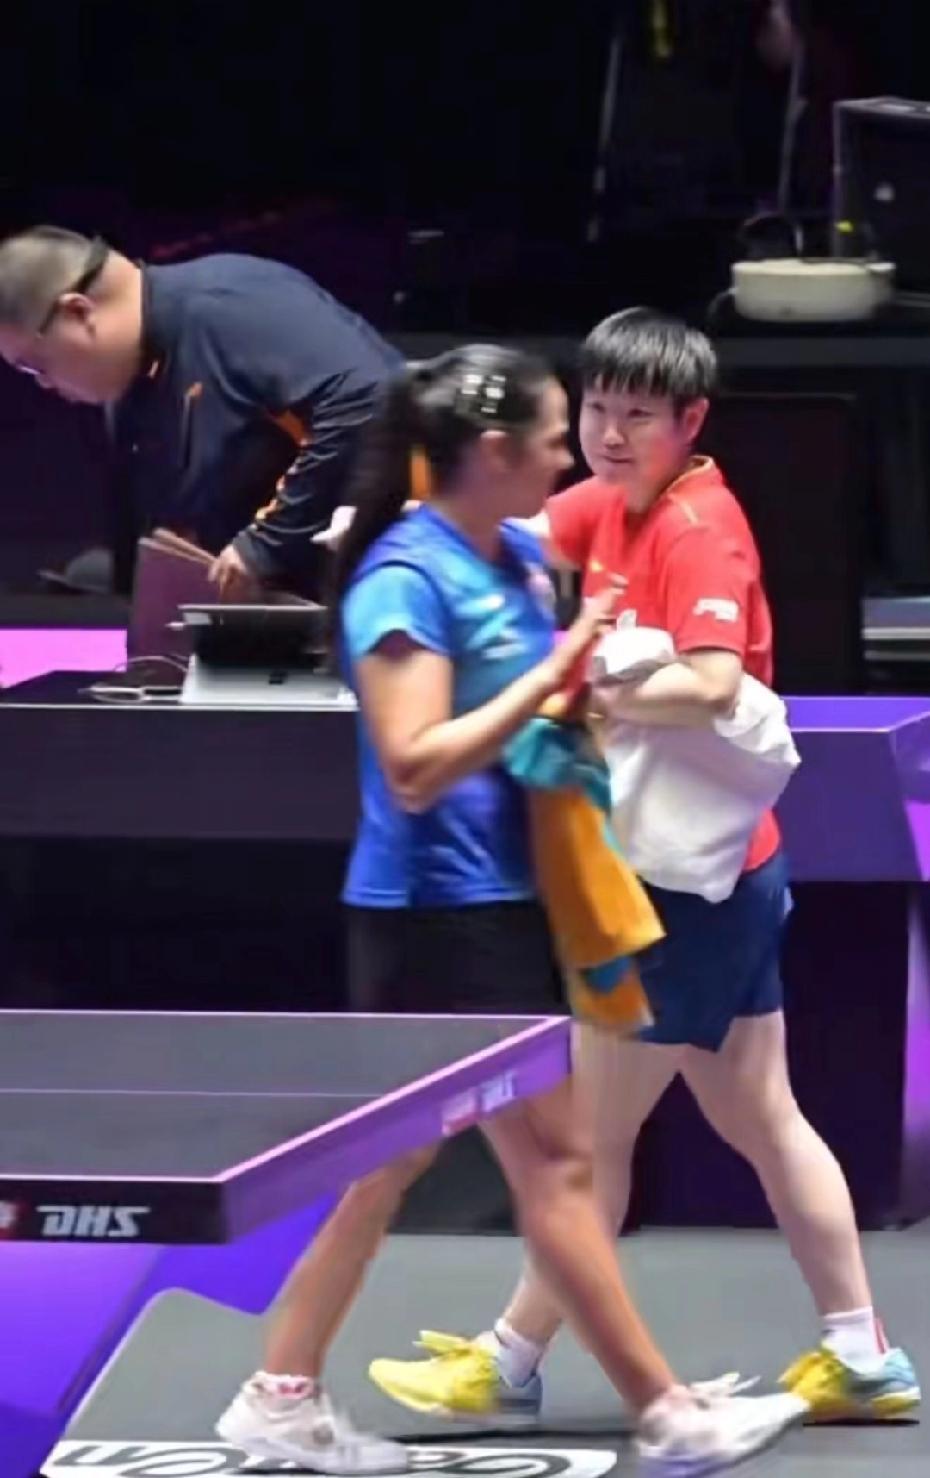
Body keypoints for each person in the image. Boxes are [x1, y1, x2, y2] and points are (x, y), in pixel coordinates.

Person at [216, 343, 804, 1475]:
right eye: (549, 436)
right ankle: (667, 1411)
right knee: (556, 1170)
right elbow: (414, 766)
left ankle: (279, 1390)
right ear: (492, 452)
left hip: (514, 900)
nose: (569, 456)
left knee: (427, 1166)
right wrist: (551, 679)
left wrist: (588, 684)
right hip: (435, 914)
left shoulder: (515, 563)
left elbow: (554, 699)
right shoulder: (404, 581)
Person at [368, 311, 921, 1425]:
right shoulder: (604, 500)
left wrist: (580, 680)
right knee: (765, 1117)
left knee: (586, 1142)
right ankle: (864, 1356)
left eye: (638, 416)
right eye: (598, 410)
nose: (611, 434)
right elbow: (515, 533)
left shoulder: (699, 529)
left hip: (682, 889)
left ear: (690, 421)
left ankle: (509, 1361)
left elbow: (712, 684)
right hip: (721, 876)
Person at [0, 225, 401, 599]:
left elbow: (367, 398)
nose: (44, 384)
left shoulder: (229, 304)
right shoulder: (133, 385)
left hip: (388, 580)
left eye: (36, 365)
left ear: (79, 312)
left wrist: (266, 544)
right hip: (269, 612)